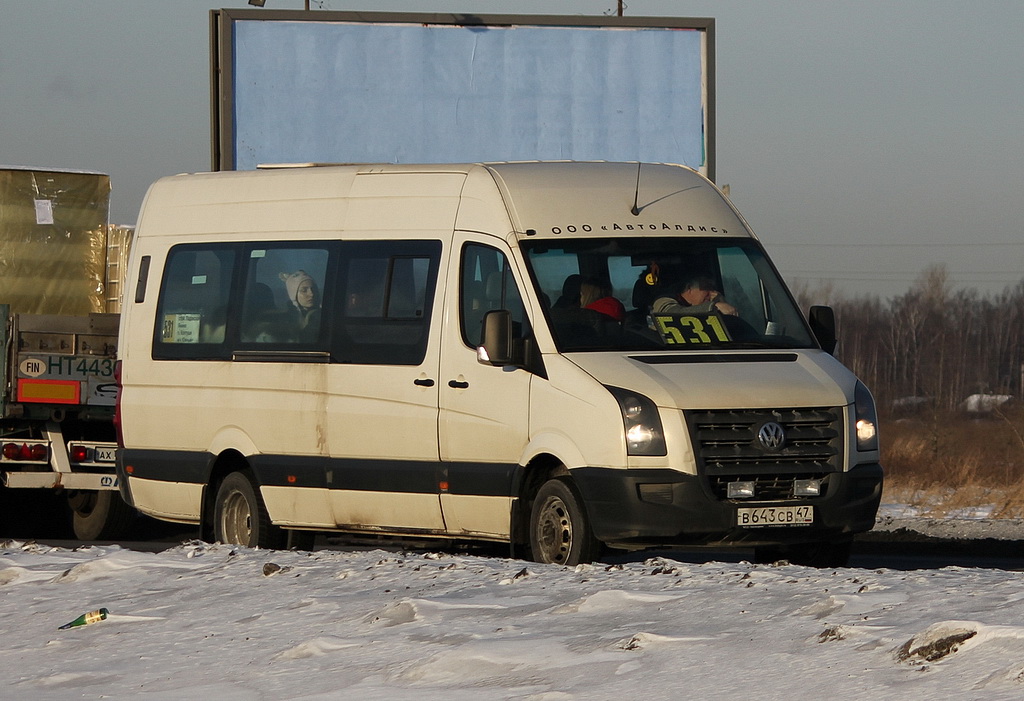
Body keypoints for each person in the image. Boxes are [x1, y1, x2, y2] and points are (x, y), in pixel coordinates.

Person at [652, 275, 737, 316]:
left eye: (713, 290)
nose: (712, 294)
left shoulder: (702, 309)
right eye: (707, 289)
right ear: (689, 289)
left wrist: (720, 301)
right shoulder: (663, 301)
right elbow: (673, 314)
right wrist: (714, 307)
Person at [279, 269, 321, 339]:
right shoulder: (283, 321)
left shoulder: (323, 316)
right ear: (293, 294)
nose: (311, 294)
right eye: (304, 290)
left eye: (313, 289)